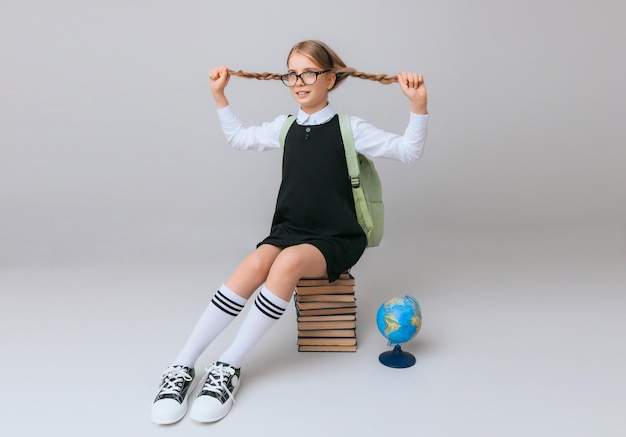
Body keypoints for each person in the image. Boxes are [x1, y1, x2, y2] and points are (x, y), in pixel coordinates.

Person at [150, 40, 429, 425]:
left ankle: (227, 368)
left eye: (309, 73)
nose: (300, 81)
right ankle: (182, 365)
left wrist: (417, 107)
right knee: (253, 264)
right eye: (292, 74)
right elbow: (239, 138)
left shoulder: (350, 129)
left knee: (287, 263)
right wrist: (219, 96)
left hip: (336, 237)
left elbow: (407, 151)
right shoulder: (285, 128)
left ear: (330, 79)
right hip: (289, 229)